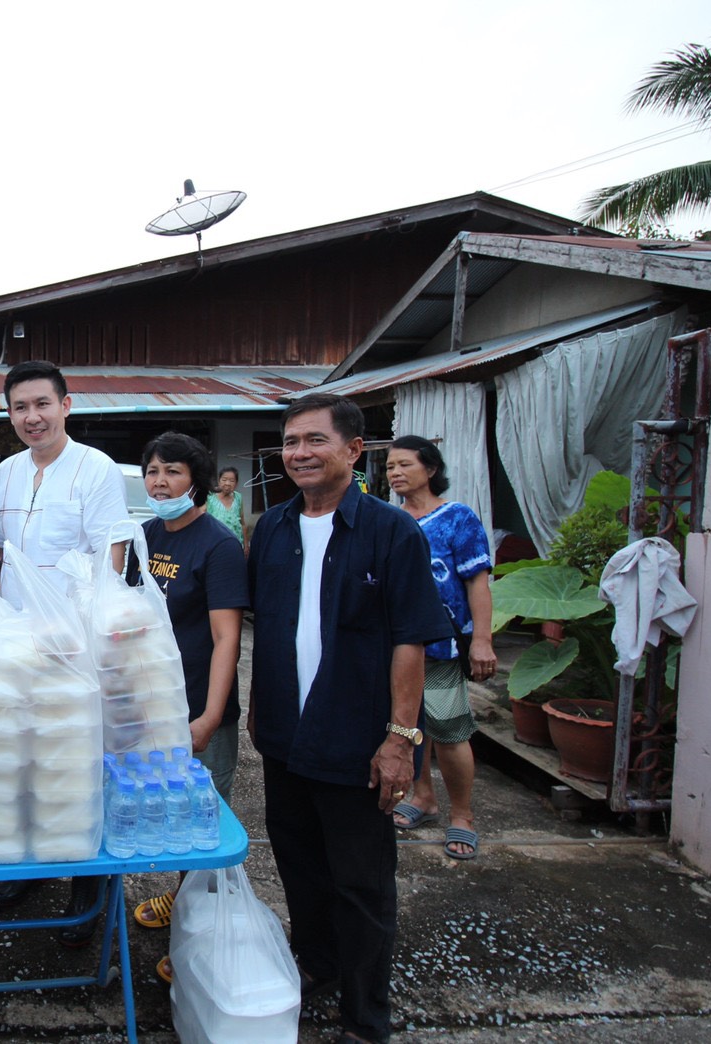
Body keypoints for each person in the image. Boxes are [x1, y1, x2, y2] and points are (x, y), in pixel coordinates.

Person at [246, 393, 451, 1044]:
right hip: (284, 739)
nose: (299, 454)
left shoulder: (392, 534)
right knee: (299, 867)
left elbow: (410, 641)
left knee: (362, 882)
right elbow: (268, 631)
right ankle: (319, 968)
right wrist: (258, 714)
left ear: (355, 450)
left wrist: (401, 739)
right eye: (290, 442)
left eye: (314, 441)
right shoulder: (272, 529)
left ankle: (366, 1016)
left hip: (358, 741)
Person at [0, 360, 129, 947]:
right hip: (16, 640)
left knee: (76, 760)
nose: (31, 417)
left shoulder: (94, 469)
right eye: (20, 407)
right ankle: (32, 868)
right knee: (21, 756)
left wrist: (92, 635)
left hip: (72, 644)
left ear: (66, 406)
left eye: (42, 404)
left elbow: (111, 554)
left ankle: (83, 886)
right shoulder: (6, 472)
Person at [131, 433, 248, 982]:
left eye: (172, 472)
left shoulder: (218, 544)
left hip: (199, 702)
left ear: (196, 481)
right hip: (153, 701)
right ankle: (180, 901)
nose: (159, 482)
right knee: (165, 810)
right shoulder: (146, 534)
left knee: (205, 821)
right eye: (152, 472)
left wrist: (208, 715)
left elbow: (227, 638)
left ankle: (199, 938)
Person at [385, 436, 497, 860]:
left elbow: (477, 581)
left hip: (442, 647)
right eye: (391, 466)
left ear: (430, 469)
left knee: (449, 731)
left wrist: (481, 640)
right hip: (398, 647)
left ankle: (463, 816)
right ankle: (423, 797)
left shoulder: (457, 519)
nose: (396, 473)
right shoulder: (392, 520)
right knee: (410, 728)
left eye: (405, 465)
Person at [205, 465, 245, 547]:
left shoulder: (238, 498)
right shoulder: (209, 497)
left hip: (236, 544)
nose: (227, 483)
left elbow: (242, 523)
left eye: (232, 481)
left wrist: (246, 544)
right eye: (224, 480)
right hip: (214, 545)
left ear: (236, 483)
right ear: (219, 481)